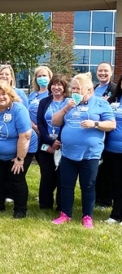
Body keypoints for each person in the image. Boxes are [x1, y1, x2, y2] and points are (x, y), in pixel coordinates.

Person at [51, 73, 115, 228]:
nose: (75, 92)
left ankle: (87, 216)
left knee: (88, 186)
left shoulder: (100, 103)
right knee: (66, 185)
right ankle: (65, 214)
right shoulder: (68, 103)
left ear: (89, 90)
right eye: (73, 88)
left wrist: (95, 124)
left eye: (79, 89)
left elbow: (111, 124)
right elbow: (55, 121)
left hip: (90, 154)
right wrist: (66, 108)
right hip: (68, 153)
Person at [0, 81, 33, 219]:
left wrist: (20, 159)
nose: (1, 97)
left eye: (4, 94)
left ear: (10, 95)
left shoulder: (19, 109)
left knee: (17, 178)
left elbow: (25, 136)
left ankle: (20, 210)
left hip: (20, 151)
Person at [36, 74, 69, 210]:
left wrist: (58, 141)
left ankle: (61, 206)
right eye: (54, 85)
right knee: (46, 176)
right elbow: (40, 123)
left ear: (64, 87)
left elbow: (68, 123)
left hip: (63, 145)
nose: (56, 87)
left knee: (62, 177)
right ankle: (45, 204)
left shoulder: (69, 103)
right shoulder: (44, 102)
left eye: (59, 85)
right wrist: (50, 142)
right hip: (46, 144)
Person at [93, 62, 116, 208]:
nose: (102, 73)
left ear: (111, 72)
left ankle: (105, 200)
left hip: (108, 133)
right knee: (96, 167)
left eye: (105, 71)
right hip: (94, 133)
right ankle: (96, 197)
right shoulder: (94, 88)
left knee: (106, 169)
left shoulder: (114, 89)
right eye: (100, 70)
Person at [102, 75, 122, 224]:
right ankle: (116, 214)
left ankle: (118, 214)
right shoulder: (113, 101)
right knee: (115, 183)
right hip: (111, 149)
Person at [28, 66, 52, 136]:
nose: (42, 78)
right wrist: (34, 126)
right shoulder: (32, 94)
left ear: (50, 77)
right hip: (32, 130)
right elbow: (26, 112)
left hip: (47, 131)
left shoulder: (52, 94)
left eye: (44, 75)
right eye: (39, 76)